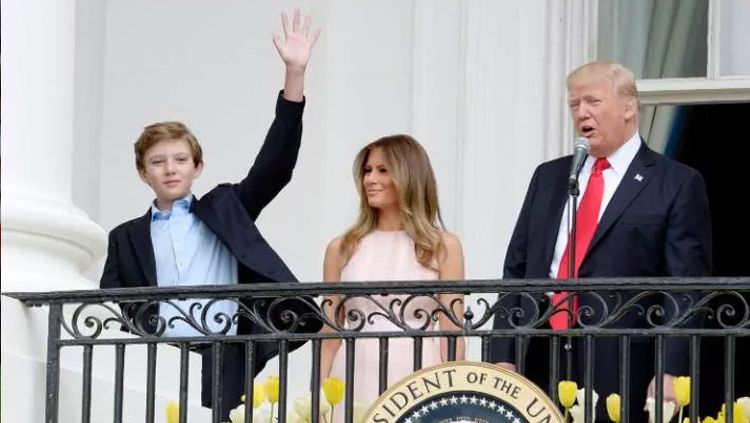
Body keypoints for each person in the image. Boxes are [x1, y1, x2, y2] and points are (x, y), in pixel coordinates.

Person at [99, 10, 322, 419]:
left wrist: (294, 78)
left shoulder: (225, 207)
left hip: (225, 356)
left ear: (197, 167)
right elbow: (113, 301)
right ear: (142, 172)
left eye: (180, 159)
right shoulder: (124, 237)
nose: (170, 168)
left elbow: (275, 166)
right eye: (158, 161)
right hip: (157, 360)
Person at [490, 62, 711, 421]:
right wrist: (503, 353)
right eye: (574, 104)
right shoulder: (550, 177)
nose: (582, 113)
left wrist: (670, 369)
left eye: (593, 101)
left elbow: (687, 286)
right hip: (541, 351)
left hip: (623, 358)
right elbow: (516, 268)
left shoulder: (676, 183)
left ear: (628, 107)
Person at [320, 135, 466, 420]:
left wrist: (454, 400)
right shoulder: (341, 247)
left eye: (382, 170)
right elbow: (329, 335)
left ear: (408, 175)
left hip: (419, 376)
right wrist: (317, 402)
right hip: (352, 373)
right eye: (367, 170)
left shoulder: (443, 246)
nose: (370, 179)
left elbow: (452, 334)